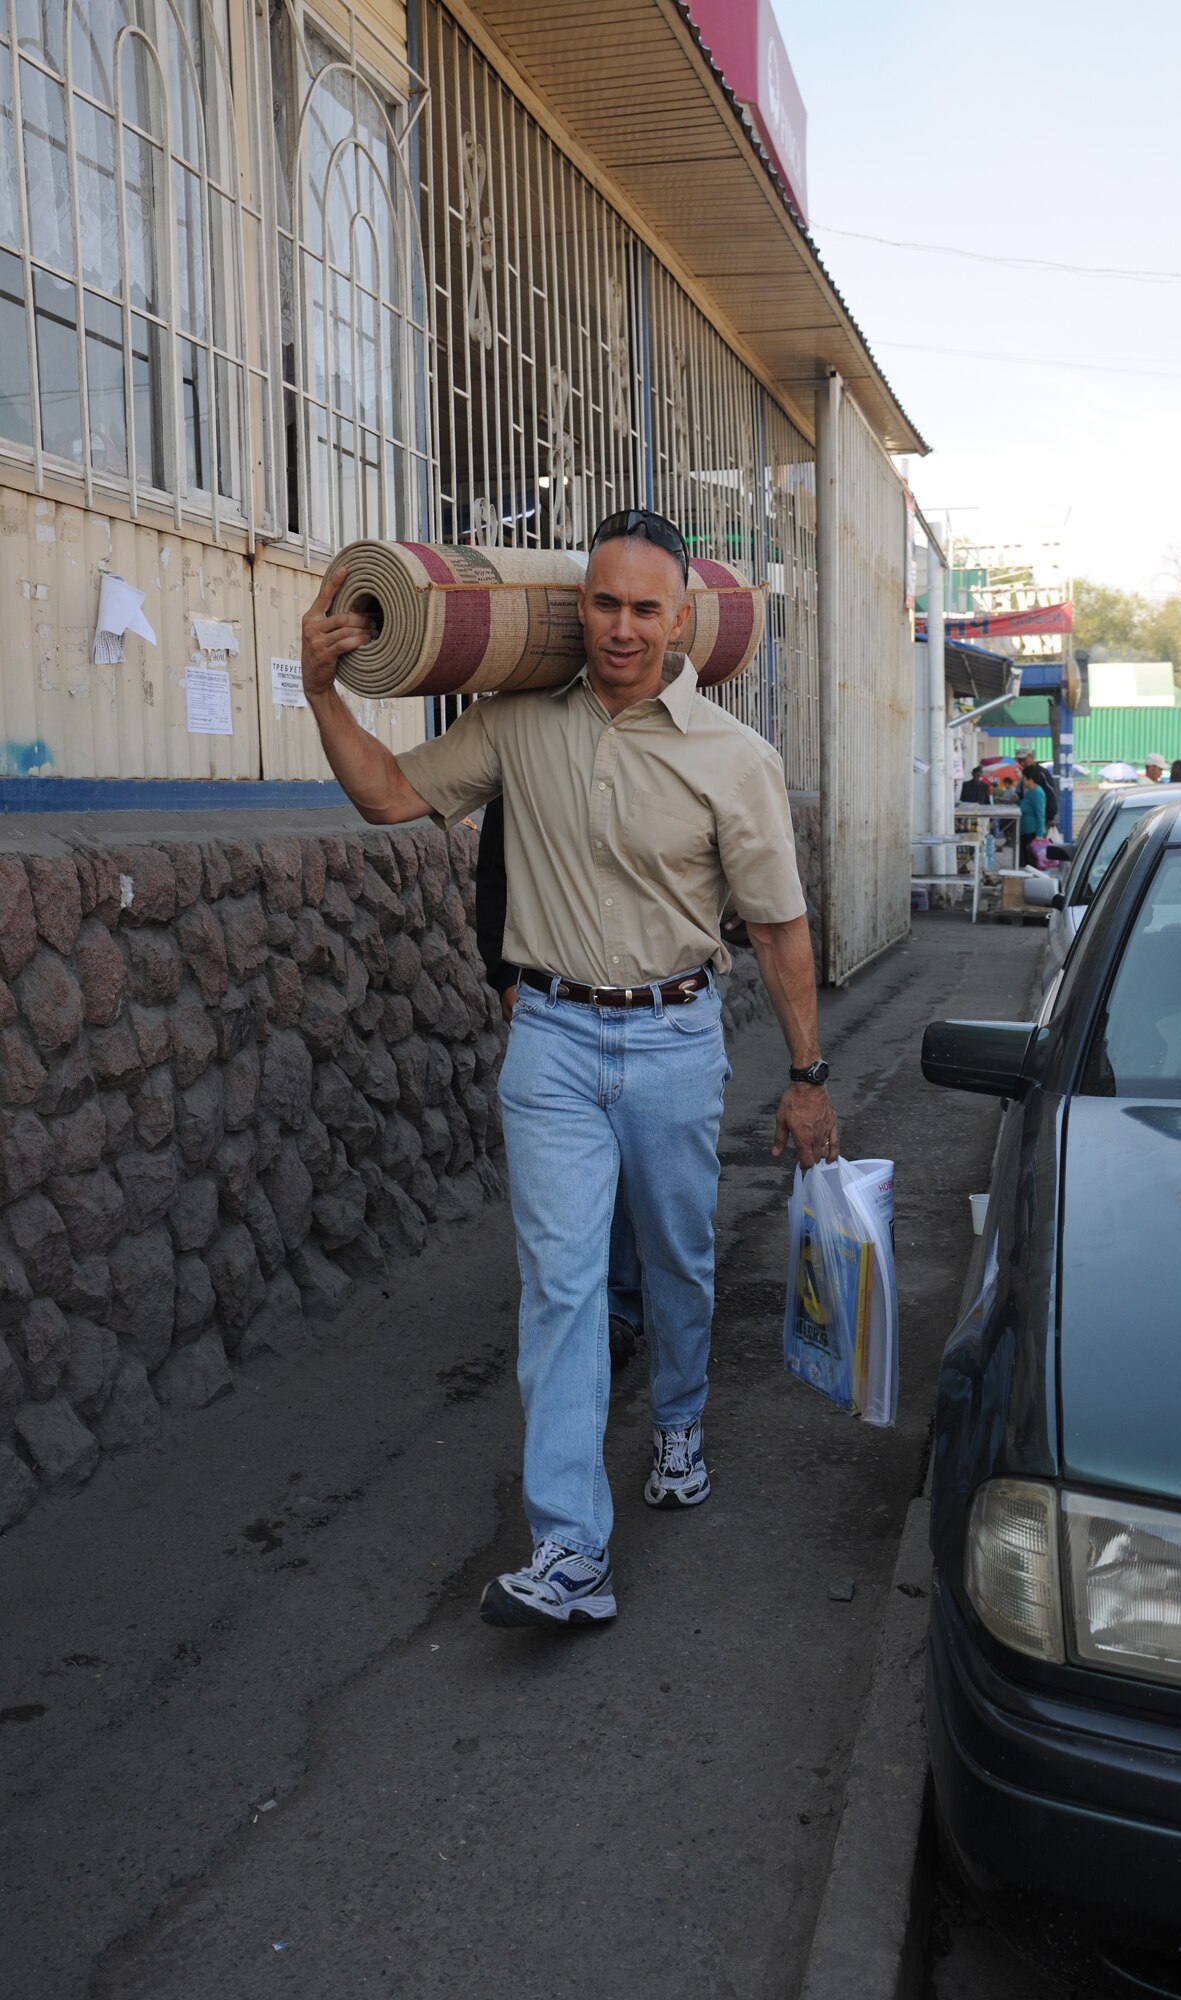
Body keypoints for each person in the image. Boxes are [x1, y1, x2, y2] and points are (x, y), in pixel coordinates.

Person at [300, 507, 838, 1631]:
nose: (622, 627)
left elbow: (779, 928)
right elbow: (389, 796)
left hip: (674, 1038)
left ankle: (678, 1421)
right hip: (548, 1040)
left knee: (678, 1261)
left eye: (646, 608)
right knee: (562, 1285)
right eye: (604, 603)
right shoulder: (515, 722)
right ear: (577, 606)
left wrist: (807, 1074)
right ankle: (569, 1548)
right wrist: (321, 692)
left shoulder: (735, 759)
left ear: (681, 620)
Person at [476, 796, 642, 1368]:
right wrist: (504, 977)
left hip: (650, 1009)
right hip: (554, 1007)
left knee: (641, 1175)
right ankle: (600, 1308)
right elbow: (495, 875)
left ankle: (631, 1297)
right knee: (576, 1171)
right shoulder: (525, 768)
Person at [1018, 770, 1048, 868]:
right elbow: (1025, 806)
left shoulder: (1037, 792)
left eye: (1024, 778)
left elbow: (1040, 814)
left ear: (1030, 779)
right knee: (1027, 861)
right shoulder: (1030, 792)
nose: (1022, 781)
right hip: (1026, 831)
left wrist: (1039, 834)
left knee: (1032, 862)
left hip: (1032, 832)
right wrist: (1017, 800)